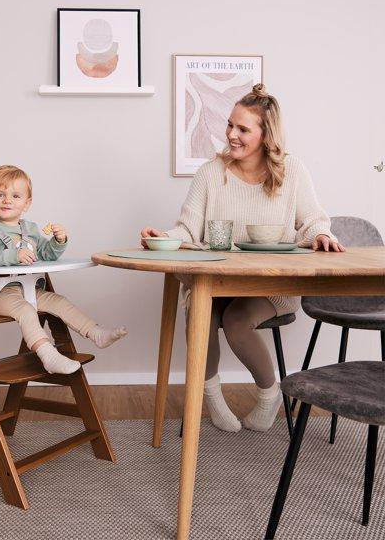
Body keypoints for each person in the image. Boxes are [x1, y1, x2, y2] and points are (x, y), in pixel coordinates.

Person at [140, 84, 345, 433]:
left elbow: (313, 220)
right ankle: (212, 397)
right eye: (230, 125)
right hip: (218, 281)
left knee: (236, 320)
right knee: (199, 313)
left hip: (270, 284)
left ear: (266, 136)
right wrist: (166, 238)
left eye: (243, 129)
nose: (231, 135)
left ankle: (269, 395)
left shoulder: (292, 171)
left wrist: (322, 235)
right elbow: (187, 229)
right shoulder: (210, 173)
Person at [0, 165, 127, 375]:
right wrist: (13, 255)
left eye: (15, 196)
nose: (7, 200)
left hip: (27, 290)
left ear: (27, 203)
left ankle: (96, 333)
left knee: (58, 300)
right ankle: (48, 356)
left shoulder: (30, 229)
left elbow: (46, 254)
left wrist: (58, 241)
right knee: (26, 310)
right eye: (0, 195)